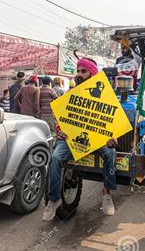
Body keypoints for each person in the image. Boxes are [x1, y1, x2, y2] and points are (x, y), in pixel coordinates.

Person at [42, 58, 118, 221]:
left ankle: (106, 193)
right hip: (71, 138)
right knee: (55, 158)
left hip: (97, 138)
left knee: (110, 153)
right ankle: (54, 199)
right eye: (78, 71)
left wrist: (113, 136)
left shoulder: (105, 95)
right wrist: (59, 131)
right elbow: (62, 118)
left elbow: (111, 119)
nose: (79, 74)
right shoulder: (71, 93)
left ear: (92, 72)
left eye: (83, 71)